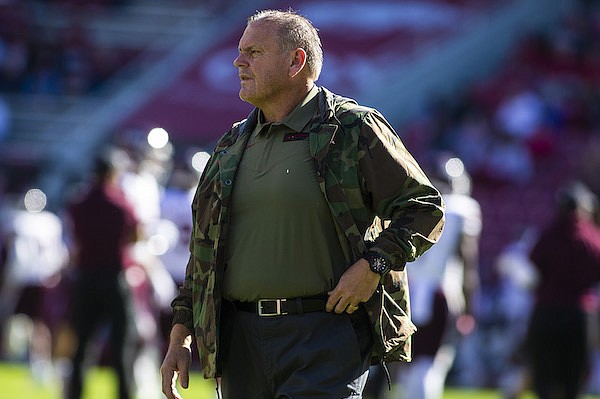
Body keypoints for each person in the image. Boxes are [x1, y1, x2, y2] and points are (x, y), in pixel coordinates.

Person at [160, 9, 445, 399]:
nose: (238, 61)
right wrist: (182, 332)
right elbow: (204, 249)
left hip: (325, 335)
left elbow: (423, 206)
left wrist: (373, 265)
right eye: (240, 51)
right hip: (240, 339)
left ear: (296, 61)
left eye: (254, 52)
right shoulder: (231, 144)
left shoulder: (351, 128)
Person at [364, 154, 481, 399]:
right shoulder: (461, 210)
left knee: (396, 365)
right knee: (429, 366)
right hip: (439, 294)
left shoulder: (412, 204)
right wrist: (470, 308)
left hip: (404, 292)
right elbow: (468, 265)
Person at [63, 150, 140, 399]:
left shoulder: (78, 202)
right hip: (113, 277)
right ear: (112, 173)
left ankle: (74, 394)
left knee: (81, 347)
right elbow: (135, 235)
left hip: (85, 278)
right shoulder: (121, 203)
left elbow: (74, 240)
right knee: (122, 347)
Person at [525, 181, 600, 399]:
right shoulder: (593, 237)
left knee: (544, 377)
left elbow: (533, 266)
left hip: (547, 310)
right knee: (573, 379)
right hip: (580, 314)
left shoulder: (549, 235)